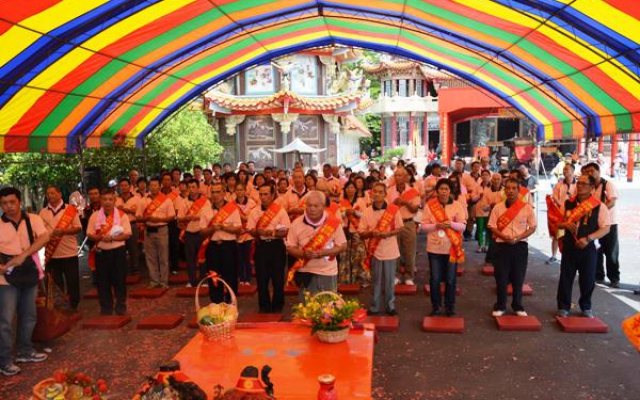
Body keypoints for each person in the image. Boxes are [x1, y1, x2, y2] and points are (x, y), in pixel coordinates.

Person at [0, 187, 50, 376]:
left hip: (28, 270)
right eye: (4, 203)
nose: (9, 206)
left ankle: (25, 351)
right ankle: (4, 360)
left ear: (19, 202)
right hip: (5, 276)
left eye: (12, 202)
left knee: (29, 315)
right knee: (5, 320)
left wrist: (23, 255)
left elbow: (45, 237)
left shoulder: (33, 219)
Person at [556, 175, 611, 318]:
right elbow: (558, 222)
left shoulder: (599, 206)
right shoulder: (568, 203)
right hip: (569, 246)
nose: (579, 186)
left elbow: (605, 228)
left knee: (588, 278)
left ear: (592, 188)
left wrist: (588, 239)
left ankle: (586, 306)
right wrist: (565, 225)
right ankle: (563, 306)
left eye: (584, 184)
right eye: (578, 183)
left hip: (588, 248)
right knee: (566, 277)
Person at [488, 178, 537, 317]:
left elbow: (532, 227)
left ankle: (517, 305)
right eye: (507, 188)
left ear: (518, 191)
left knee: (518, 277)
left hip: (520, 245)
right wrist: (503, 237)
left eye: (513, 188)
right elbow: (492, 226)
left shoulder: (526, 207)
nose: (510, 191)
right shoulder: (498, 207)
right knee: (501, 277)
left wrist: (518, 238)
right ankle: (500, 305)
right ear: (504, 190)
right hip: (501, 245)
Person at [286, 191, 346, 299]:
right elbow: (290, 247)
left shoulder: (333, 223)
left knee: (328, 308)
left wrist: (324, 253)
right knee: (306, 308)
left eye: (316, 206)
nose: (312, 209)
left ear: (323, 207)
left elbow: (342, 245)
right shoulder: (296, 223)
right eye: (309, 205)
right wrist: (303, 254)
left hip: (328, 271)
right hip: (305, 271)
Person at [421, 179, 467, 316]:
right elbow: (423, 227)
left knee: (451, 279)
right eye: (441, 189)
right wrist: (436, 226)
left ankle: (449, 306)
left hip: (451, 248)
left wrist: (450, 224)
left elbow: (463, 226)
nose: (443, 191)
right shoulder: (430, 206)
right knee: (435, 279)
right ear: (437, 191)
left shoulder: (457, 205)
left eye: (446, 189)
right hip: (434, 248)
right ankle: (436, 306)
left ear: (450, 191)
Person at [359, 182, 403, 316]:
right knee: (376, 281)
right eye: (375, 191)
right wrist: (372, 233)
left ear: (385, 194)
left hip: (390, 250)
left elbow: (400, 228)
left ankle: (390, 306)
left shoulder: (393, 210)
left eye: (380, 192)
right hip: (375, 251)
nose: (377, 194)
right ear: (371, 193)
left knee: (389, 281)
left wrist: (388, 234)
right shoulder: (366, 211)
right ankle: (374, 307)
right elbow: (361, 232)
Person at [86, 189, 132, 316]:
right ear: (101, 201)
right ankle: (106, 308)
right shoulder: (94, 216)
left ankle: (120, 306)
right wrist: (100, 238)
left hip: (118, 252)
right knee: (103, 282)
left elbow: (127, 235)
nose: (107, 202)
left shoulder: (122, 215)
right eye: (105, 199)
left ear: (114, 200)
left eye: (110, 199)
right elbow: (89, 234)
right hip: (101, 253)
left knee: (119, 281)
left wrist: (111, 238)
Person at [247, 184, 290, 313]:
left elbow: (287, 231)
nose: (263, 197)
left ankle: (278, 305)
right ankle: (264, 306)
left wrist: (272, 233)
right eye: (261, 194)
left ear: (272, 195)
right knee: (261, 278)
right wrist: (257, 231)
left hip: (277, 246)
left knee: (278, 278)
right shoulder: (254, 211)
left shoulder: (280, 211)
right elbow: (250, 230)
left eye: (266, 194)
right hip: (262, 246)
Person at [39, 185, 82, 311]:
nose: (50, 196)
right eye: (48, 193)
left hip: (69, 253)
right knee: (54, 283)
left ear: (59, 194)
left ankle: (74, 305)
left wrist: (63, 231)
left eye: (52, 193)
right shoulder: (43, 212)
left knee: (72, 281)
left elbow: (78, 228)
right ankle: (59, 307)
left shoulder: (70, 210)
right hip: (51, 254)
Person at [200, 183, 242, 303]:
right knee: (213, 276)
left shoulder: (232, 209)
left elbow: (238, 229)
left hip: (229, 246)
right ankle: (216, 302)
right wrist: (212, 228)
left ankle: (231, 302)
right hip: (213, 247)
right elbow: (202, 232)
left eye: (218, 192)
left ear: (224, 193)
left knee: (231, 275)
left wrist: (224, 227)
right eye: (213, 192)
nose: (215, 195)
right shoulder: (205, 210)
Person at [583, 162, 621, 287]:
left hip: (610, 223)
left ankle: (614, 278)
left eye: (592, 171)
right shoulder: (591, 187)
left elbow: (612, 202)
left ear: (598, 171)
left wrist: (600, 210)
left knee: (611, 252)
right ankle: (599, 275)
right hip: (596, 224)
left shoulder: (608, 184)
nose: (590, 173)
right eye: (587, 171)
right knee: (597, 251)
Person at [137, 177, 176, 288]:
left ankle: (164, 281)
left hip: (162, 230)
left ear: (159, 186)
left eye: (156, 185)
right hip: (148, 231)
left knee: (163, 257)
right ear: (149, 186)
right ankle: (154, 281)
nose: (153, 187)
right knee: (150, 257)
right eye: (151, 185)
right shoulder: (143, 200)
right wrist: (147, 219)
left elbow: (172, 217)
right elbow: (138, 217)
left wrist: (159, 220)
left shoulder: (166, 200)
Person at [387, 167, 420, 285]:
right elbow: (386, 210)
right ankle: (395, 275)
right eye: (395, 175)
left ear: (406, 177)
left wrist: (405, 202)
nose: (397, 177)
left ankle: (409, 276)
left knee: (409, 251)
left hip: (408, 223)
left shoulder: (413, 191)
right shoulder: (389, 191)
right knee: (394, 250)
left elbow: (415, 209)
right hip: (394, 224)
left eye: (400, 175)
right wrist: (394, 204)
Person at [177, 179, 212, 287]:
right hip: (189, 233)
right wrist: (186, 217)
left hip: (202, 232)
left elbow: (209, 216)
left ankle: (204, 280)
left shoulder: (205, 201)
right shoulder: (184, 201)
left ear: (198, 188)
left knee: (203, 257)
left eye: (193, 187)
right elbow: (179, 217)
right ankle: (191, 280)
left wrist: (195, 217)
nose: (192, 190)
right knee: (190, 258)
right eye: (190, 187)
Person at [338, 181, 368, 285]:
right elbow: (337, 216)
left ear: (355, 189)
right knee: (345, 256)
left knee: (358, 255)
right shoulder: (342, 202)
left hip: (357, 232)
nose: (350, 189)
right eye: (348, 188)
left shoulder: (360, 201)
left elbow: (365, 215)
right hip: (345, 232)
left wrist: (355, 212)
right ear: (345, 190)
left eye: (352, 187)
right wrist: (344, 213)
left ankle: (360, 278)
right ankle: (346, 279)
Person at [547, 163, 577, 264]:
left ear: (573, 171)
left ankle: (572, 256)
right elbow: (554, 196)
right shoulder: (559, 184)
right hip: (560, 213)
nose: (564, 171)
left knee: (573, 235)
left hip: (575, 214)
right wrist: (561, 205)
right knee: (557, 235)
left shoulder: (578, 184)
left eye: (567, 169)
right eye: (564, 169)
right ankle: (554, 255)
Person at [116, 178, 141, 274]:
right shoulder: (115, 199)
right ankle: (123, 270)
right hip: (119, 227)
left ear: (130, 187)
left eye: (125, 185)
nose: (123, 187)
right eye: (121, 186)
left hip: (132, 225)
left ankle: (135, 269)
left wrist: (128, 210)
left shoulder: (136, 198)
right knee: (120, 249)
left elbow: (140, 213)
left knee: (133, 248)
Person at [234, 183, 257, 286]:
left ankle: (247, 278)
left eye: (241, 190)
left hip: (248, 234)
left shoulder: (252, 203)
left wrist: (243, 219)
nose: (239, 192)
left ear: (245, 191)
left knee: (247, 258)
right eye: (237, 190)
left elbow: (253, 218)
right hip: (237, 234)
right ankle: (241, 278)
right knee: (238, 258)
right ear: (235, 191)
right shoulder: (231, 204)